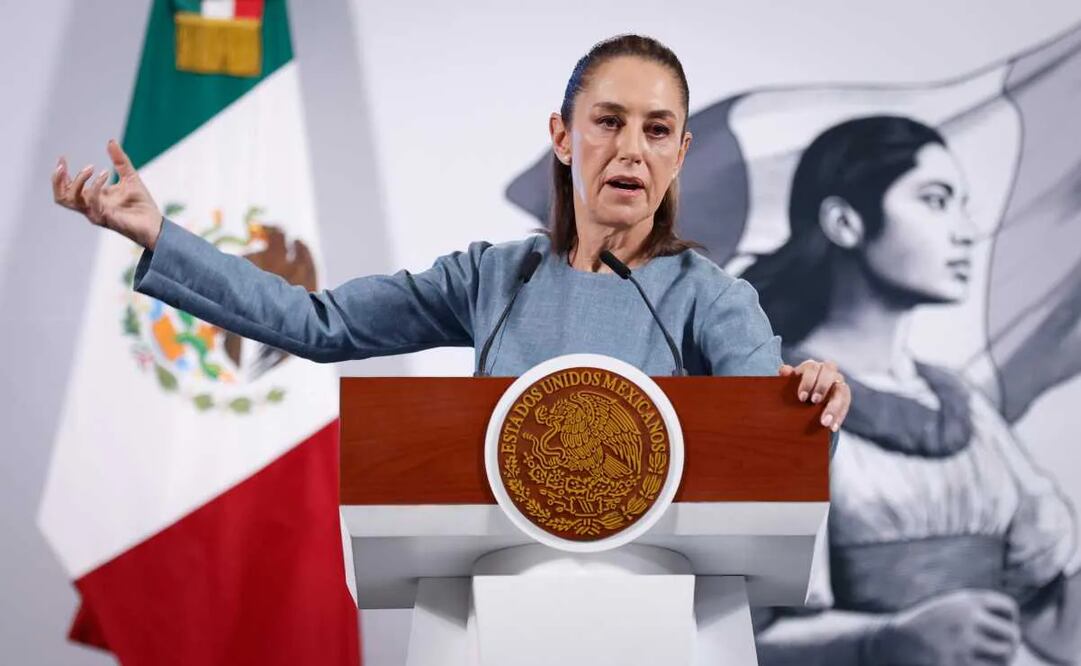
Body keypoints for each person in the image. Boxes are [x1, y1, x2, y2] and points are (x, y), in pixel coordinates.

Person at [50, 36, 849, 431]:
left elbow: (765, 461)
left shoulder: (715, 301)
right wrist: (161, 236)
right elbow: (315, 323)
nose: (630, 149)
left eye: (656, 129)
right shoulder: (490, 279)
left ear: (680, 154)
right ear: (563, 138)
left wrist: (811, 403)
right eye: (607, 122)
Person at [742, 115, 1081, 665]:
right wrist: (884, 640)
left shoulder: (962, 405)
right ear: (845, 222)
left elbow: (1057, 621)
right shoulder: (776, 398)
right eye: (935, 200)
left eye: (962, 203)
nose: (967, 230)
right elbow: (737, 638)